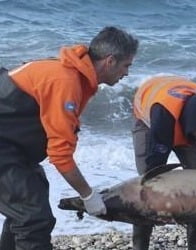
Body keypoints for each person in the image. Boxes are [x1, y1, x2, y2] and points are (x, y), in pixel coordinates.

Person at [0, 26, 139, 250]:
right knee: (33, 219)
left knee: (30, 200)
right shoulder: (65, 81)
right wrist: (88, 194)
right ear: (110, 61)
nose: (127, 74)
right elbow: (60, 155)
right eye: (126, 65)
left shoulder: (75, 76)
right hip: (5, 146)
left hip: (13, 147)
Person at [132, 75, 196, 250]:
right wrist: (163, 209)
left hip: (188, 123)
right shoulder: (164, 115)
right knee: (147, 189)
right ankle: (140, 246)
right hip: (150, 121)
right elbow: (155, 167)